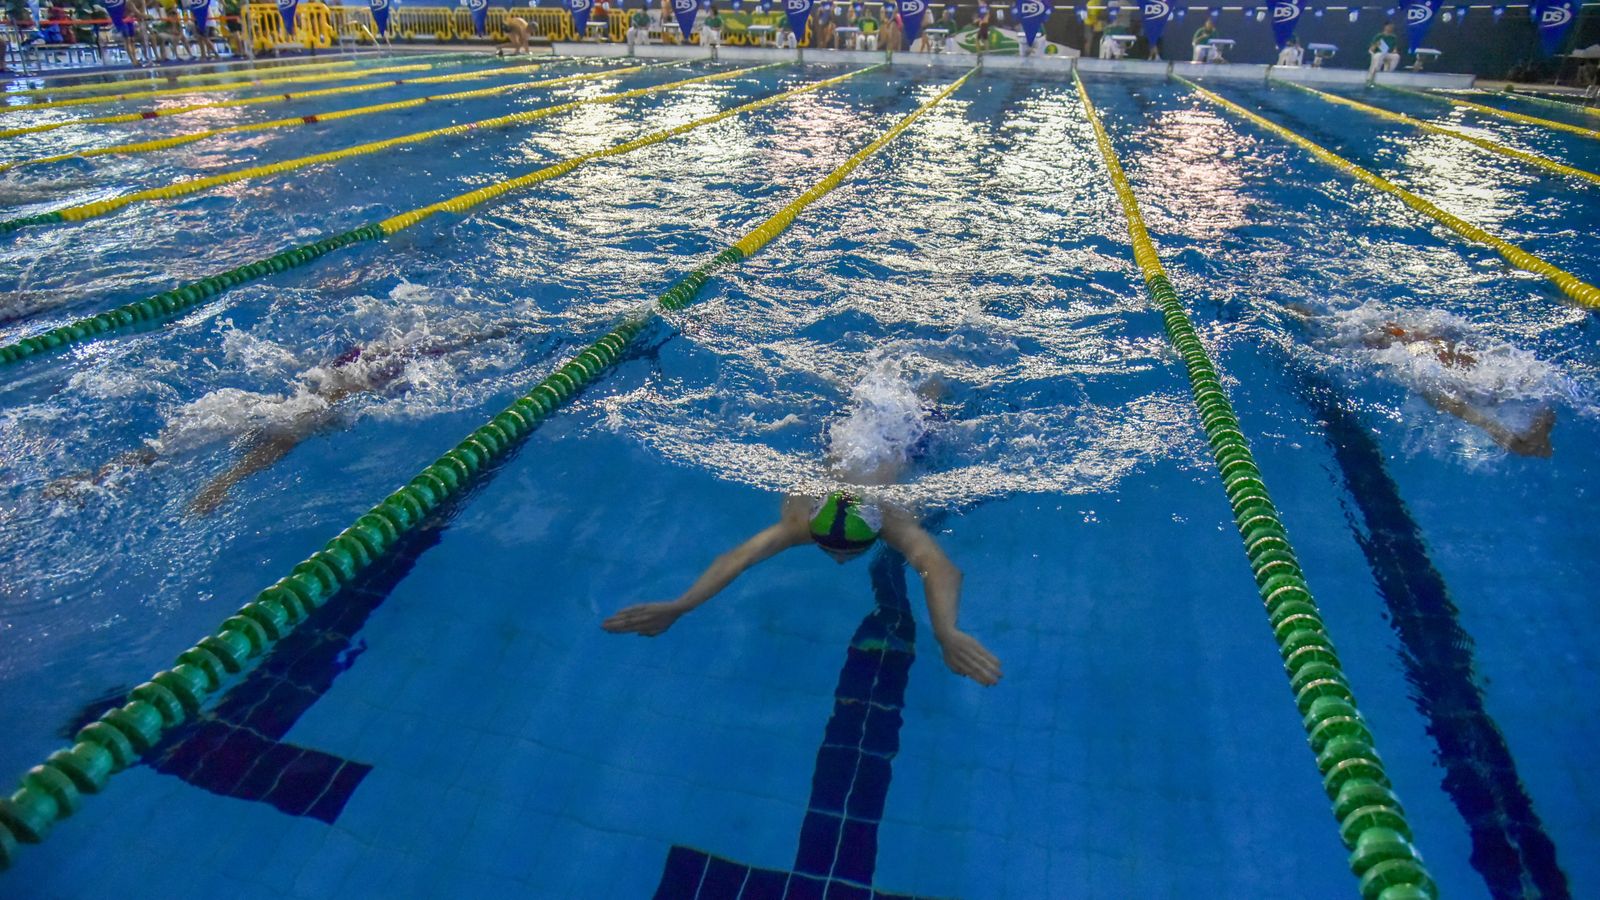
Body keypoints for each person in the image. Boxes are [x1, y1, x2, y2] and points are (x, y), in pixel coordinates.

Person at [602, 368, 1003, 687]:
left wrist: (946, 631)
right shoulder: (803, 521)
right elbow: (738, 558)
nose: (841, 561)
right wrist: (681, 605)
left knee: (931, 392)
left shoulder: (890, 520)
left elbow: (942, 571)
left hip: (911, 436)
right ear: (813, 528)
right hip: (867, 436)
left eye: (847, 552)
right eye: (833, 550)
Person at [46, 324, 523, 516]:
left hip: (309, 386)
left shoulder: (368, 355)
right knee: (287, 430)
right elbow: (284, 442)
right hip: (323, 398)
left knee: (209, 427)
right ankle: (221, 482)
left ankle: (102, 473)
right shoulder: (391, 370)